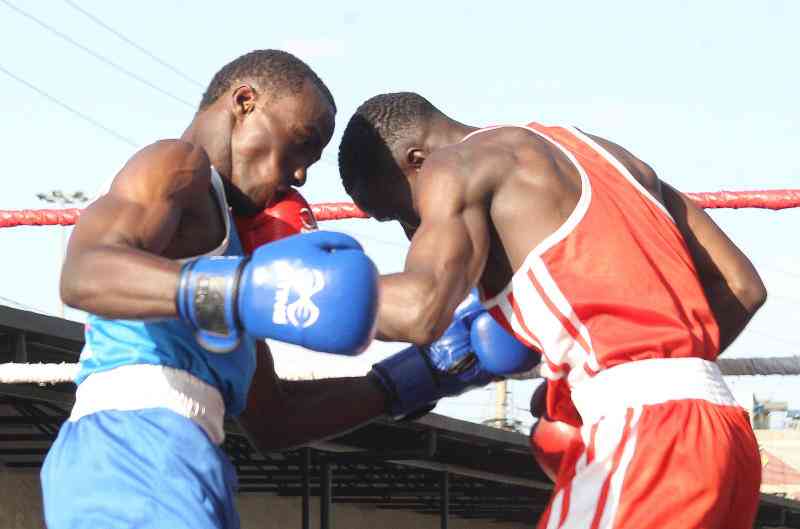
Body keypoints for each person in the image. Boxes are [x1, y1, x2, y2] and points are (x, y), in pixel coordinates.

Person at [40, 50, 516, 529]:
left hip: (178, 455)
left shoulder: (231, 260)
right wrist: (238, 289)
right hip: (133, 448)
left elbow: (275, 419)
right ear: (245, 102)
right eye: (300, 144)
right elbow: (85, 272)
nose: (300, 175)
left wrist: (421, 376)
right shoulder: (177, 165)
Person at [337, 92, 767, 529]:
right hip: (725, 434)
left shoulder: (451, 166)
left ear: (417, 160)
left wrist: (297, 291)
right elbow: (742, 286)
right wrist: (591, 384)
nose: (414, 232)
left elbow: (420, 309)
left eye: (402, 213)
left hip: (650, 437)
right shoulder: (608, 154)